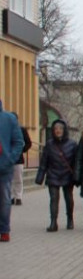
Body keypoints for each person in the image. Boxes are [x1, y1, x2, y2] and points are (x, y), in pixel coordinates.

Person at [35, 119, 78, 231]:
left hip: (67, 174)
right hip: (53, 174)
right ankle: (53, 222)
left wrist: (77, 176)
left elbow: (77, 162)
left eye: (60, 128)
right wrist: (40, 177)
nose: (58, 131)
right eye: (55, 129)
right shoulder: (49, 144)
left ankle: (70, 219)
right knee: (54, 198)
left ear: (64, 130)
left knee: (68, 198)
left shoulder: (72, 144)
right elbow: (44, 161)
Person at [0, 97, 25, 242]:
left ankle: (4, 230)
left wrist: (10, 159)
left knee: (4, 199)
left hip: (4, 166)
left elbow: (19, 142)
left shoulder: (9, 119)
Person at [11, 113, 30, 206]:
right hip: (7, 158)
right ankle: (11, 197)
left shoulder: (22, 130)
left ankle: (18, 197)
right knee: (9, 179)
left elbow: (28, 143)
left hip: (18, 159)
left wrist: (22, 149)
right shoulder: (5, 130)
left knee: (18, 178)